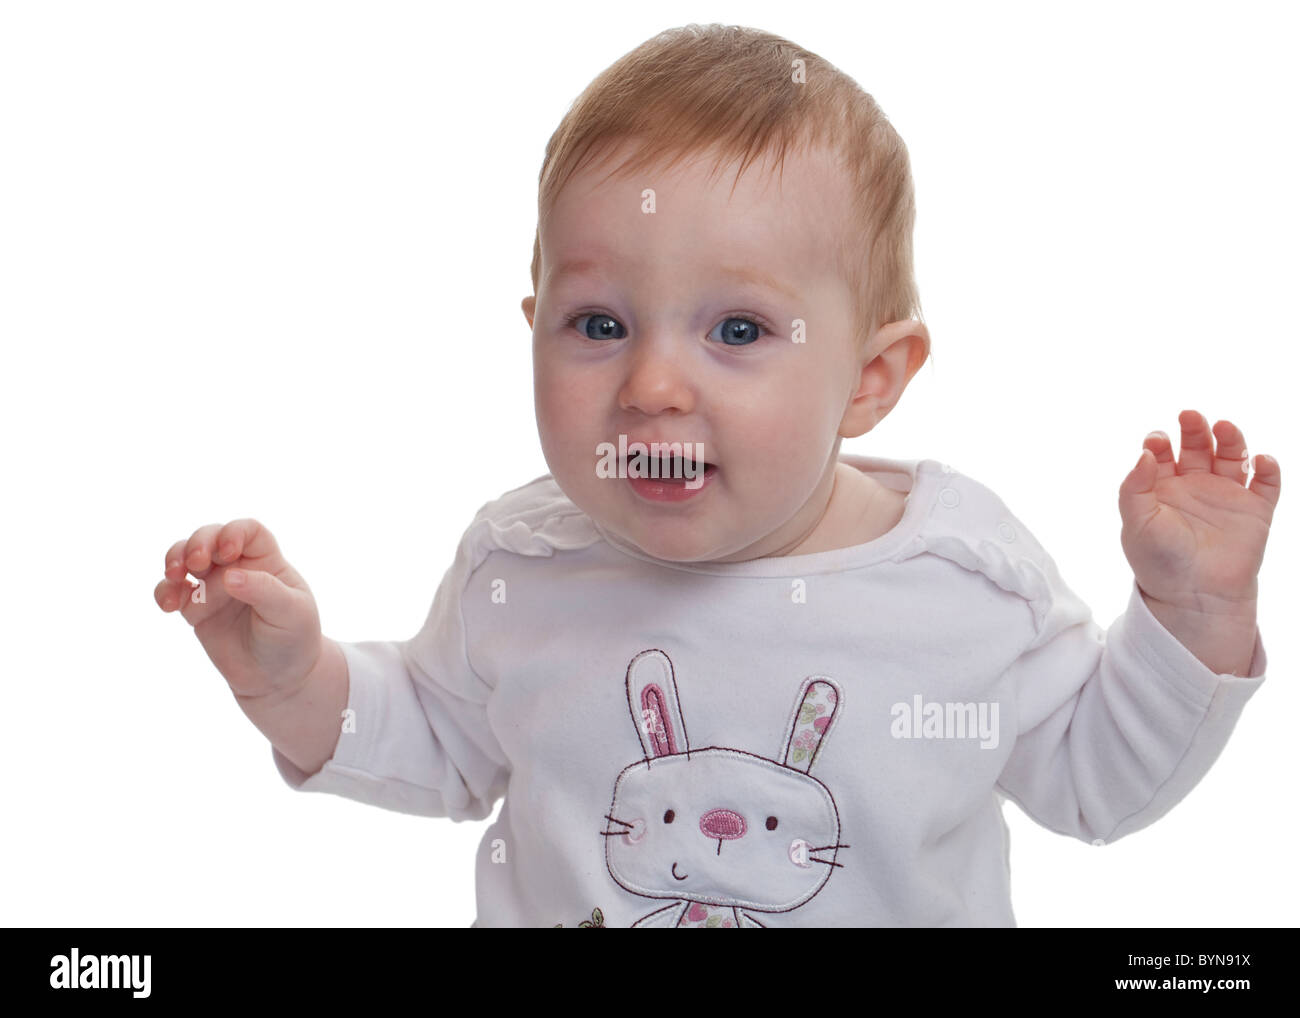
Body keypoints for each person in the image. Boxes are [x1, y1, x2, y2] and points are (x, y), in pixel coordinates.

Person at [154, 23, 1280, 927]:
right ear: (532, 326)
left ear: (870, 379)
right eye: (597, 321)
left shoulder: (960, 581)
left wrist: (1190, 614)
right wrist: (296, 680)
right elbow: (440, 744)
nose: (651, 383)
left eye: (736, 331)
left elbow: (1094, 778)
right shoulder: (521, 563)